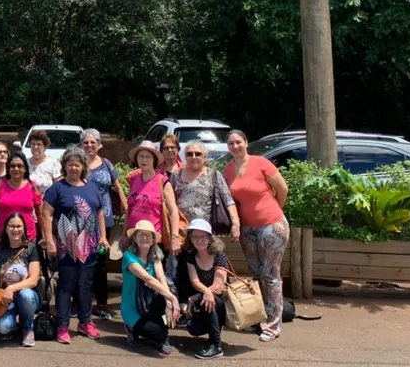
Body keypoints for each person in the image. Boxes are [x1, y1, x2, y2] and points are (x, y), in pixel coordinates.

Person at [225, 129, 290, 342]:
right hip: (247, 229)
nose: (235, 146)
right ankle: (258, 317)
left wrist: (272, 212)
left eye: (238, 142)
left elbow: (282, 189)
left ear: (246, 142)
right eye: (231, 143)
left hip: (271, 226)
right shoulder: (228, 169)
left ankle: (273, 325)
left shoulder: (261, 163)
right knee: (256, 274)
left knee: (270, 274)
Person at [41, 146, 108, 344]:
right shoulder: (57, 189)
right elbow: (46, 214)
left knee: (86, 286)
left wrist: (103, 236)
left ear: (83, 167)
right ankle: (62, 325)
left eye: (77, 165)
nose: (73, 168)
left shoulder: (91, 187)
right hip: (66, 248)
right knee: (66, 286)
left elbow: (99, 213)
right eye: (70, 165)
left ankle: (85, 322)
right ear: (65, 166)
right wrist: (50, 240)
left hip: (89, 248)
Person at [170, 140, 239, 310]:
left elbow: (228, 200)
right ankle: (185, 308)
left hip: (205, 235)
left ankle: (209, 306)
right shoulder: (176, 175)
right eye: (189, 154)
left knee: (208, 271)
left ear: (205, 157)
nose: (193, 157)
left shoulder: (214, 175)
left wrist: (235, 223)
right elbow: (168, 205)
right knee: (182, 272)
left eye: (198, 154)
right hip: (183, 233)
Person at [80, 128, 126, 319]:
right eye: (86, 142)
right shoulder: (77, 164)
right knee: (81, 259)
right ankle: (80, 301)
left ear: (99, 145)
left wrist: (126, 206)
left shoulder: (106, 164)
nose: (89, 145)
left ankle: (101, 303)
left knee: (100, 262)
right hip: (81, 220)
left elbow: (117, 186)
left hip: (104, 223)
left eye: (93, 142)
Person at [123, 141, 182, 289]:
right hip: (134, 238)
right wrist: (124, 234)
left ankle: (158, 309)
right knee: (134, 281)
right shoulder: (134, 180)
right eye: (141, 156)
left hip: (153, 240)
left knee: (155, 281)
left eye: (148, 157)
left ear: (154, 160)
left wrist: (174, 237)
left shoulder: (162, 181)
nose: (144, 160)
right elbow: (129, 209)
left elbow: (174, 211)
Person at [121, 220, 181, 356]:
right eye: (141, 234)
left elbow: (161, 279)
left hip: (150, 303)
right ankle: (132, 328)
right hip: (132, 307)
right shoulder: (128, 257)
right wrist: (172, 297)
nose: (145, 238)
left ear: (154, 240)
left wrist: (168, 302)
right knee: (156, 332)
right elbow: (149, 279)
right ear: (134, 238)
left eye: (149, 235)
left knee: (164, 308)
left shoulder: (155, 257)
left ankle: (163, 336)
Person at [0, 213, 41, 347]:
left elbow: (33, 280)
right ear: (6, 228)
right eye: (12, 226)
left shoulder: (31, 248)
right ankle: (13, 321)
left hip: (28, 296)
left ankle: (27, 327)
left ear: (24, 228)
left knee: (25, 295)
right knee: (3, 327)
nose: (16, 230)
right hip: (4, 299)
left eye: (19, 226)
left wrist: (12, 288)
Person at [184, 219, 229, 360]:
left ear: (210, 238)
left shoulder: (219, 255)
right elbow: (195, 281)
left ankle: (216, 345)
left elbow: (219, 285)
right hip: (205, 299)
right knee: (192, 327)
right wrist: (205, 293)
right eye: (194, 237)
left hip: (222, 302)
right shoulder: (191, 256)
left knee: (208, 300)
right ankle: (213, 334)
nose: (199, 240)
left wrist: (201, 295)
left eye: (203, 236)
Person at [0, 152, 42, 249]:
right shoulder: (0, 185)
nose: (16, 169)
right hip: (3, 238)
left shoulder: (32, 186)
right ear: (8, 169)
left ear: (25, 169)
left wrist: (44, 236)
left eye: (20, 166)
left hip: (28, 240)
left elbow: (40, 214)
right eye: (12, 166)